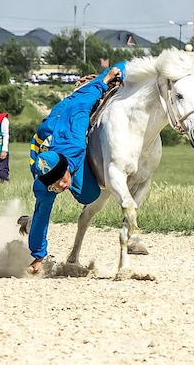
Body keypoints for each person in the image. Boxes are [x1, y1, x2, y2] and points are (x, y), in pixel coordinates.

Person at [28, 63, 126, 274]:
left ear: (67, 168)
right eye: (57, 186)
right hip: (43, 146)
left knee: (89, 195)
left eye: (62, 181)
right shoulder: (43, 183)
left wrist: (107, 78)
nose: (62, 186)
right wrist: (38, 256)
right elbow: (43, 212)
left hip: (71, 108)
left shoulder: (75, 137)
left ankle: (91, 82)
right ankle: (33, 234)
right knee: (42, 207)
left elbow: (84, 100)